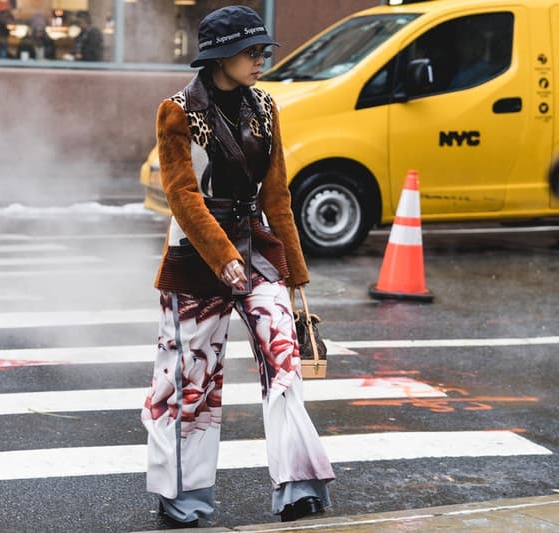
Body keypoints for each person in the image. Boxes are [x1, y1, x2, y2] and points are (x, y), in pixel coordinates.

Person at [140, 5, 335, 529]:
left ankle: (299, 487)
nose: (261, 59)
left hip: (257, 251)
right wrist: (223, 257)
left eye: (264, 50)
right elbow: (182, 196)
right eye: (252, 51)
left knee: (285, 364)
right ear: (221, 56)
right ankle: (185, 498)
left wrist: (294, 273)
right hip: (195, 257)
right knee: (190, 381)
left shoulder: (265, 107)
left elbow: (277, 194)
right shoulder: (177, 111)